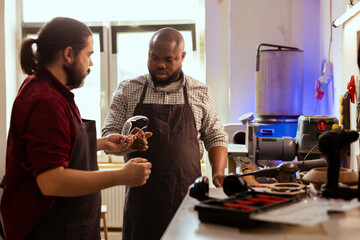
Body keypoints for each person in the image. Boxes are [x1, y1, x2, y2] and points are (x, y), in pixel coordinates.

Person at [0, 17, 152, 240]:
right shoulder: (45, 100)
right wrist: (120, 176)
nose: (91, 64)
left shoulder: (49, 90)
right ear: (69, 54)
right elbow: (50, 181)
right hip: (49, 228)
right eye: (89, 55)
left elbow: (58, 145)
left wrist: (100, 144)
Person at [102, 27, 228, 240]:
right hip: (141, 199)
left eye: (169, 60)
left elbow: (216, 135)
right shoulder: (127, 90)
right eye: (154, 57)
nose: (160, 64)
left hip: (187, 195)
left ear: (182, 57)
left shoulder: (201, 92)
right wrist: (128, 141)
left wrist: (218, 172)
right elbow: (109, 133)